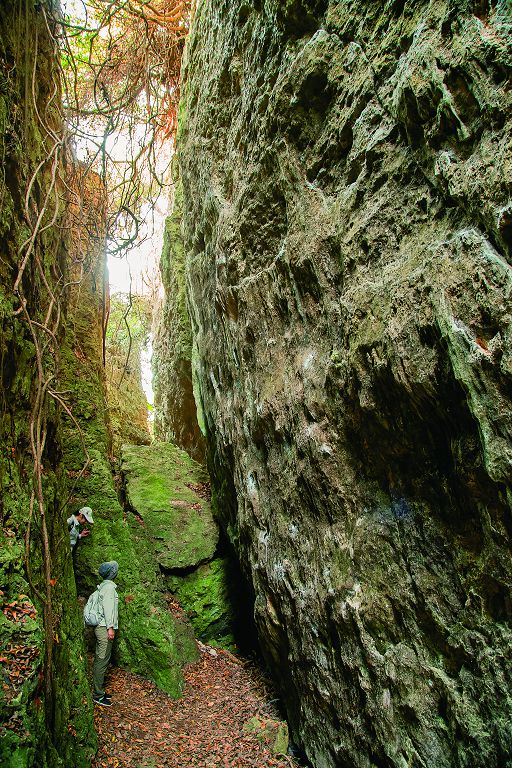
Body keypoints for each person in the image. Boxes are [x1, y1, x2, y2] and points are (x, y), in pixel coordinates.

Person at [93, 561, 119, 707]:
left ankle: (99, 691)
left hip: (101, 627)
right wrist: (110, 627)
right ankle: (97, 694)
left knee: (100, 658)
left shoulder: (103, 587)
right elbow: (108, 608)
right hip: (104, 628)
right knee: (102, 660)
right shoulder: (109, 588)